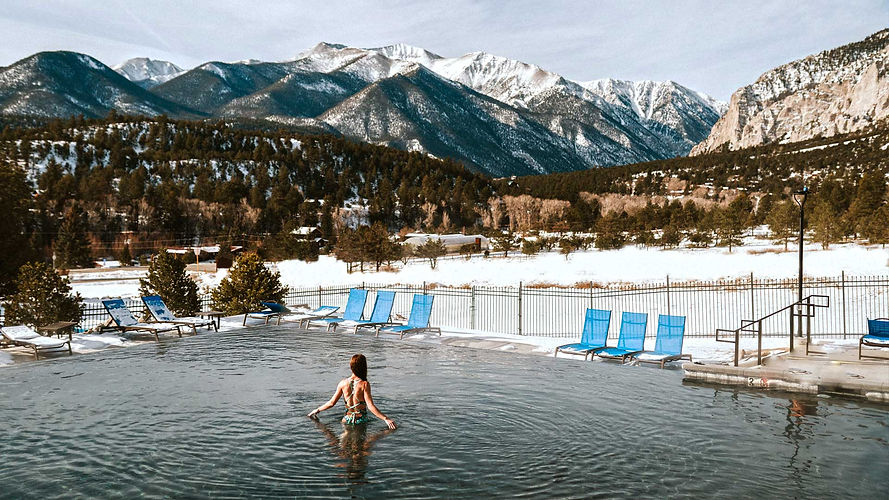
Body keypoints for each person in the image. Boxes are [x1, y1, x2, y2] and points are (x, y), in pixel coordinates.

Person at [308, 354, 397, 429]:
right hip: (360, 420)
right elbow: (370, 406)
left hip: (346, 419)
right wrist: (386, 418)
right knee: (362, 447)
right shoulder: (364, 384)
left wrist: (317, 410)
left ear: (351, 367)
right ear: (364, 367)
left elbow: (331, 403)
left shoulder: (342, 383)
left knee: (343, 446)